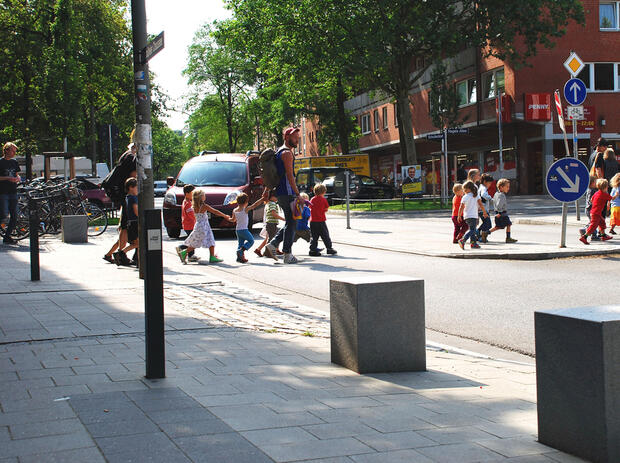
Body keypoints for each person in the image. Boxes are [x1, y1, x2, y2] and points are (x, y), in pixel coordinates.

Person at [264, 127, 302, 264]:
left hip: (281, 193)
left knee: (290, 222)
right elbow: (289, 176)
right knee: (292, 223)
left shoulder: (279, 151)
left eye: (297, 137)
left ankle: (273, 245)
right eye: (294, 137)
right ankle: (287, 254)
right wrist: (298, 194)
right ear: (286, 137)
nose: (297, 140)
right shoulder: (287, 153)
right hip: (288, 192)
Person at [104, 143, 137, 263]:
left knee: (124, 228)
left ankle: (113, 254)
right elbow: (133, 174)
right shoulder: (131, 158)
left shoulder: (125, 156)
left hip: (122, 196)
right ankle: (121, 254)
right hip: (125, 197)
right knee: (125, 228)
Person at [176, 189, 230, 263]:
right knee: (201, 242)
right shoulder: (204, 206)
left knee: (207, 240)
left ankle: (212, 256)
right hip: (203, 226)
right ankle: (184, 252)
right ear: (201, 197)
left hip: (199, 225)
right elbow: (215, 211)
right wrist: (224, 216)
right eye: (204, 195)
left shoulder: (194, 206)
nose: (205, 196)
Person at [579, 178, 617, 244]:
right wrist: (616, 195)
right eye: (607, 186)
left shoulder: (597, 193)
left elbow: (591, 199)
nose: (608, 187)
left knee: (602, 223)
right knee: (593, 226)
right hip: (596, 213)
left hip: (594, 212)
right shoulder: (604, 194)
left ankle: (603, 235)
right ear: (605, 187)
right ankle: (584, 237)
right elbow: (612, 198)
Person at [230, 193, 263, 263]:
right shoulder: (245, 209)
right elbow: (255, 205)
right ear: (246, 202)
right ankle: (241, 251)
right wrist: (262, 199)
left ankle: (240, 258)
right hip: (244, 230)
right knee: (251, 241)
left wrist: (227, 218)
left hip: (238, 230)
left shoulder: (234, 210)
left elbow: (233, 220)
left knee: (240, 244)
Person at [114, 178, 139, 266]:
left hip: (130, 222)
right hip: (135, 222)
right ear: (131, 187)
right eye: (136, 187)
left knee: (136, 243)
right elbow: (136, 211)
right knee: (138, 243)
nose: (138, 189)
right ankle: (121, 253)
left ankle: (137, 261)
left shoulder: (127, 197)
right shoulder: (133, 198)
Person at [0, 142, 21, 244]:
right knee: (3, 214)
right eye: (12, 150)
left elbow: (17, 175)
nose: (14, 152)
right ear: (6, 150)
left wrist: (17, 178)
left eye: (15, 151)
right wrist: (8, 178)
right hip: (3, 192)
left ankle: (7, 236)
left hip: (13, 191)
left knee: (15, 215)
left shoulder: (14, 162)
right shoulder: (1, 162)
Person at [458, 180, 488, 250]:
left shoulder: (465, 197)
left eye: (464, 189)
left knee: (472, 229)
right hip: (473, 216)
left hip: (467, 216)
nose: (463, 190)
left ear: (469, 189)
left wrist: (459, 215)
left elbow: (461, 207)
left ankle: (473, 243)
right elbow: (481, 205)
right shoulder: (476, 196)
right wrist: (484, 212)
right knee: (473, 230)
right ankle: (463, 240)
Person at [309, 183, 336, 257]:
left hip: (313, 221)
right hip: (321, 221)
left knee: (314, 236)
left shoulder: (312, 199)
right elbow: (326, 208)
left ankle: (313, 249)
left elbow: (310, 207)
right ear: (324, 192)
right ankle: (329, 248)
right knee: (325, 235)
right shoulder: (323, 199)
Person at [255, 191, 284, 257]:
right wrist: (283, 219)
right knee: (272, 239)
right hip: (271, 224)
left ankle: (261, 250)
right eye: (276, 196)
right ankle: (267, 252)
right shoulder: (272, 204)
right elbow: (274, 214)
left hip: (270, 223)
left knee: (270, 238)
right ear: (271, 197)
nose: (277, 197)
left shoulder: (270, 203)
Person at [488, 178, 517, 243]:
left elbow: (494, 201)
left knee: (498, 227)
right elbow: (499, 204)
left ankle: (486, 233)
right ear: (501, 187)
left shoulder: (496, 194)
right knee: (508, 224)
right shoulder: (501, 195)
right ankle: (508, 238)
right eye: (507, 187)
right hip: (502, 214)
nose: (508, 188)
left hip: (499, 213)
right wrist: (499, 212)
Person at [177, 184, 198, 262]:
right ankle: (181, 248)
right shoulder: (188, 204)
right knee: (192, 241)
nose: (194, 195)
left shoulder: (186, 201)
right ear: (187, 193)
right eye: (193, 193)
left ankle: (190, 255)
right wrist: (197, 220)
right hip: (190, 225)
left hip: (187, 225)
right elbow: (191, 215)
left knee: (191, 240)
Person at [579, 176, 600, 240]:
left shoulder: (590, 189)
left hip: (588, 209)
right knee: (594, 223)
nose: (596, 183)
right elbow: (591, 200)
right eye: (595, 182)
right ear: (592, 183)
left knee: (593, 222)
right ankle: (588, 232)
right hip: (591, 209)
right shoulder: (592, 191)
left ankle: (587, 231)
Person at [476, 174, 494, 243]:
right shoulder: (483, 188)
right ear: (485, 181)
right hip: (483, 209)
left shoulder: (480, 187)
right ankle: (478, 233)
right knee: (488, 224)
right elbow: (483, 195)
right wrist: (490, 198)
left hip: (481, 209)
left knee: (486, 223)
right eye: (489, 183)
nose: (490, 185)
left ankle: (478, 234)